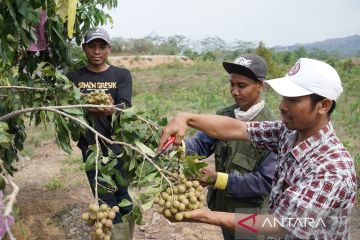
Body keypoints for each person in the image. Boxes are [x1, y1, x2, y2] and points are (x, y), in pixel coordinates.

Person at [159, 58, 357, 239]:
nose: (283, 106)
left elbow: (279, 225)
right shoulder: (287, 133)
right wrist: (186, 118)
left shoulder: (332, 170)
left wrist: (206, 217)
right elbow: (238, 128)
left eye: (293, 100)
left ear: (323, 105)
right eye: (283, 98)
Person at [183, 54, 277, 239]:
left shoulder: (271, 128)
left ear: (260, 85)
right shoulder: (225, 115)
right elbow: (201, 143)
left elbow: (263, 182)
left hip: (250, 215)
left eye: (241, 86)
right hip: (224, 209)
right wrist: (179, 145)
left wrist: (216, 179)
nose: (234, 91)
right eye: (231, 84)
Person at [67, 27, 133, 239]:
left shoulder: (121, 74)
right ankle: (119, 237)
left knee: (123, 195)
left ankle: (125, 235)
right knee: (106, 198)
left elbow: (124, 107)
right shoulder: (74, 76)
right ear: (84, 48)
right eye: (92, 46)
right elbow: (68, 109)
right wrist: (87, 109)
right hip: (91, 148)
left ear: (109, 48)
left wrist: (111, 109)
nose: (97, 51)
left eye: (102, 46)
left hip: (116, 146)